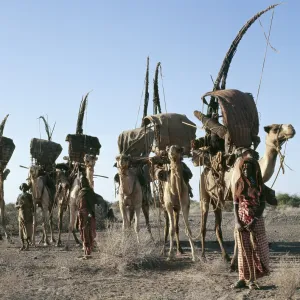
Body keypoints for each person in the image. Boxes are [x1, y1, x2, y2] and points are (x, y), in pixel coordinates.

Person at [231, 148, 269, 289]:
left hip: (256, 221)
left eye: (249, 167)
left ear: (255, 169)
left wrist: (254, 220)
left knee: (256, 250)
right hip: (241, 220)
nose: (246, 170)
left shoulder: (260, 186)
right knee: (242, 250)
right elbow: (235, 204)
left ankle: (253, 279)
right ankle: (242, 278)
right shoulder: (238, 185)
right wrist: (237, 222)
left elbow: (262, 204)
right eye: (244, 167)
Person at [77, 176, 98, 258]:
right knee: (82, 230)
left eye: (83, 182)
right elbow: (77, 202)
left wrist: (90, 214)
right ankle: (85, 248)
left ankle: (88, 249)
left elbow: (93, 203)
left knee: (87, 230)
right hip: (81, 214)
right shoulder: (80, 192)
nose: (82, 183)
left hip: (88, 213)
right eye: (81, 182)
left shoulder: (89, 191)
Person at [15, 183, 34, 250]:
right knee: (21, 230)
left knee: (27, 230)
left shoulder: (29, 195)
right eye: (22, 187)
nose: (23, 188)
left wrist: (30, 209)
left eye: (24, 187)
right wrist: (19, 206)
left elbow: (33, 205)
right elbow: (16, 205)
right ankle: (23, 245)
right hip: (20, 214)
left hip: (27, 214)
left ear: (26, 188)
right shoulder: (19, 196)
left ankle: (28, 246)